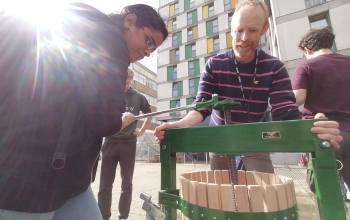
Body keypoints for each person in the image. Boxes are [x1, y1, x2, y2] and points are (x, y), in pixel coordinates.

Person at [0, 2, 167, 220]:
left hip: (67, 177)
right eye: (148, 41)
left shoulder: (80, 29)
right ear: (130, 21)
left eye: (153, 50)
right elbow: (105, 121)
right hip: (33, 178)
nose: (147, 52)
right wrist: (124, 119)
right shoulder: (110, 38)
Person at [154, 0, 342, 173]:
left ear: (264, 29)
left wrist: (312, 127)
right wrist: (180, 124)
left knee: (264, 192)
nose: (243, 38)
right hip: (219, 138)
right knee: (220, 194)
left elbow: (285, 111)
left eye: (252, 30)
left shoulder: (274, 67)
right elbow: (202, 107)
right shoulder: (215, 64)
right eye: (239, 30)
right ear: (231, 29)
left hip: (255, 138)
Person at [292, 27, 350, 190]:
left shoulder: (306, 66)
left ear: (307, 49)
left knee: (321, 187)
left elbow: (298, 99)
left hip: (323, 134)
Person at [98, 68, 152, 220]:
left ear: (132, 79)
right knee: (105, 184)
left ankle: (123, 216)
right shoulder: (111, 95)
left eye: (129, 78)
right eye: (123, 78)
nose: (126, 81)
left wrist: (141, 131)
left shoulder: (138, 97)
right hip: (110, 142)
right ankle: (104, 216)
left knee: (127, 183)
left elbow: (149, 113)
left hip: (129, 143)